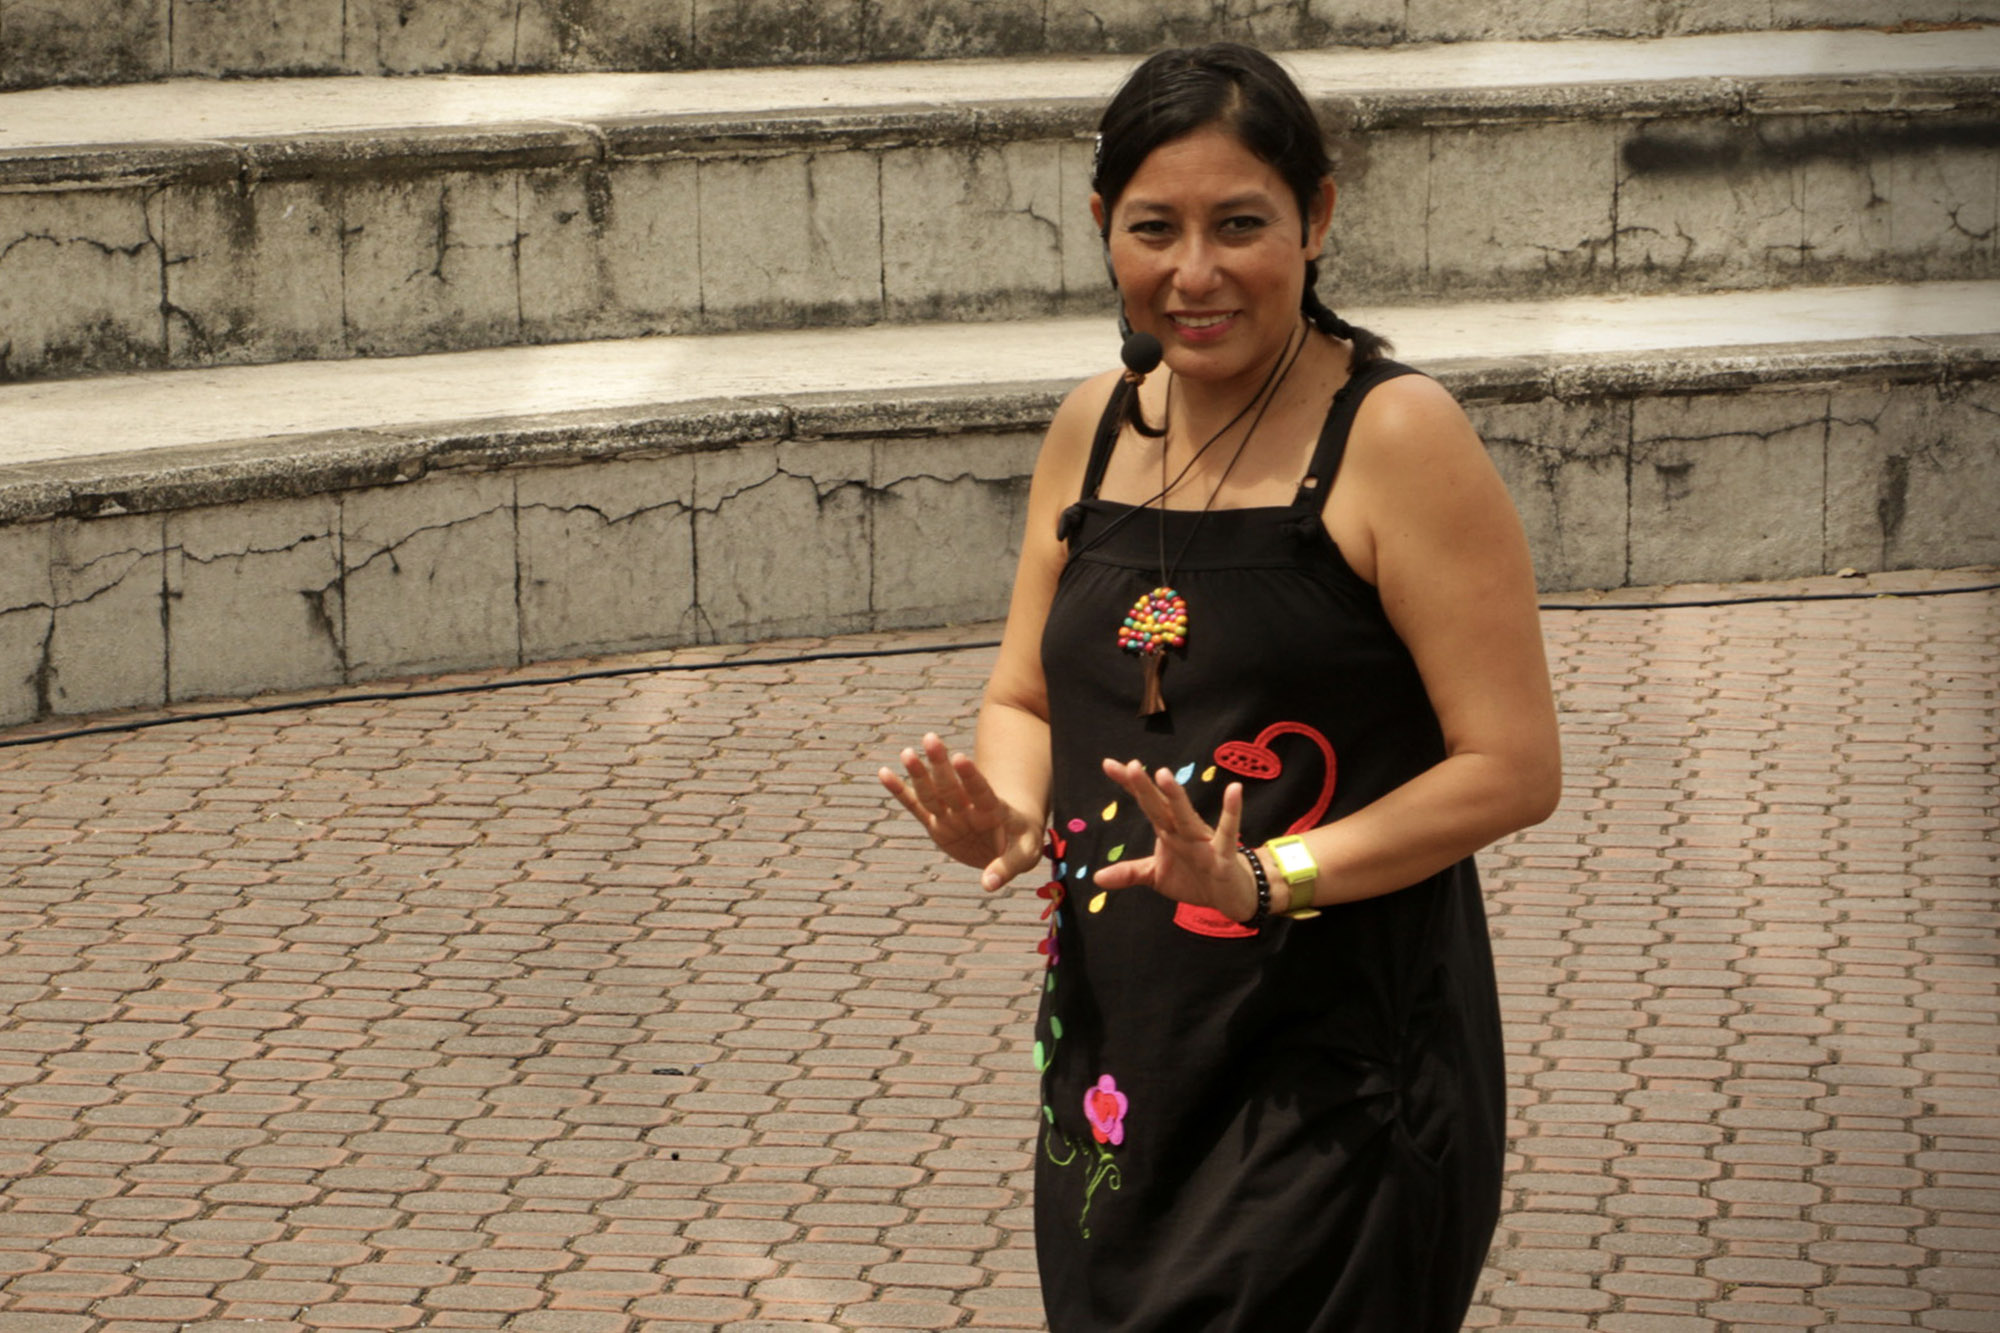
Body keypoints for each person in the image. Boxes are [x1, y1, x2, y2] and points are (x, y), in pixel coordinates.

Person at [879, 42, 1561, 1332]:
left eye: (1240, 224)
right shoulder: (1094, 424)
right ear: (1103, 227)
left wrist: (1262, 876)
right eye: (1155, 228)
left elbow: (1512, 769)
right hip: (1123, 1071)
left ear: (1318, 216)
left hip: (1330, 1082)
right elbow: (1026, 697)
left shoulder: (1395, 434)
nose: (1194, 274)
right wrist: (1012, 816)